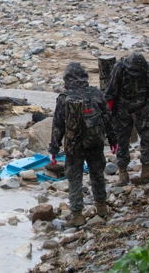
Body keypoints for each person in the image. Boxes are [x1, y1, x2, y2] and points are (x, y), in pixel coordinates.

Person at [48, 62, 117, 227]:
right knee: (97, 175)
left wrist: (53, 149)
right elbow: (107, 118)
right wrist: (113, 140)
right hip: (95, 143)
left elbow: (58, 126)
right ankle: (101, 208)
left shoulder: (63, 99)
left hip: (74, 146)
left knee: (74, 178)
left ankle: (77, 215)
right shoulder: (96, 93)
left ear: (67, 79)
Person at [105, 53, 149, 185]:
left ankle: (146, 170)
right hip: (122, 107)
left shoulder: (147, 68)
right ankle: (123, 173)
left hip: (142, 105)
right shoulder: (119, 68)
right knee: (121, 139)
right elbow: (110, 92)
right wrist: (108, 115)